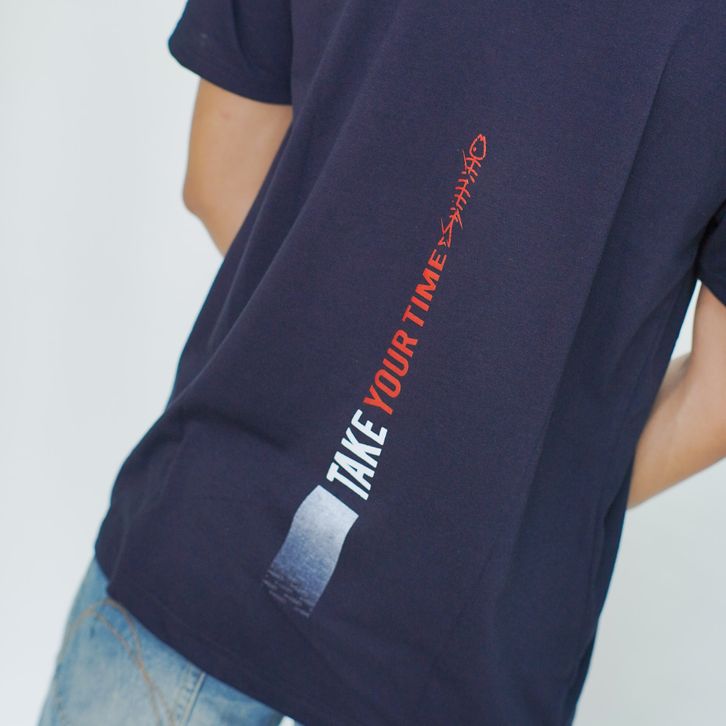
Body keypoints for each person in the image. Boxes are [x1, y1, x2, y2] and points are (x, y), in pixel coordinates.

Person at [38, 0, 726, 724]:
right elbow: (714, 404)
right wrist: (512, 498)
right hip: (461, 663)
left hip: (212, 556)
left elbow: (219, 176)